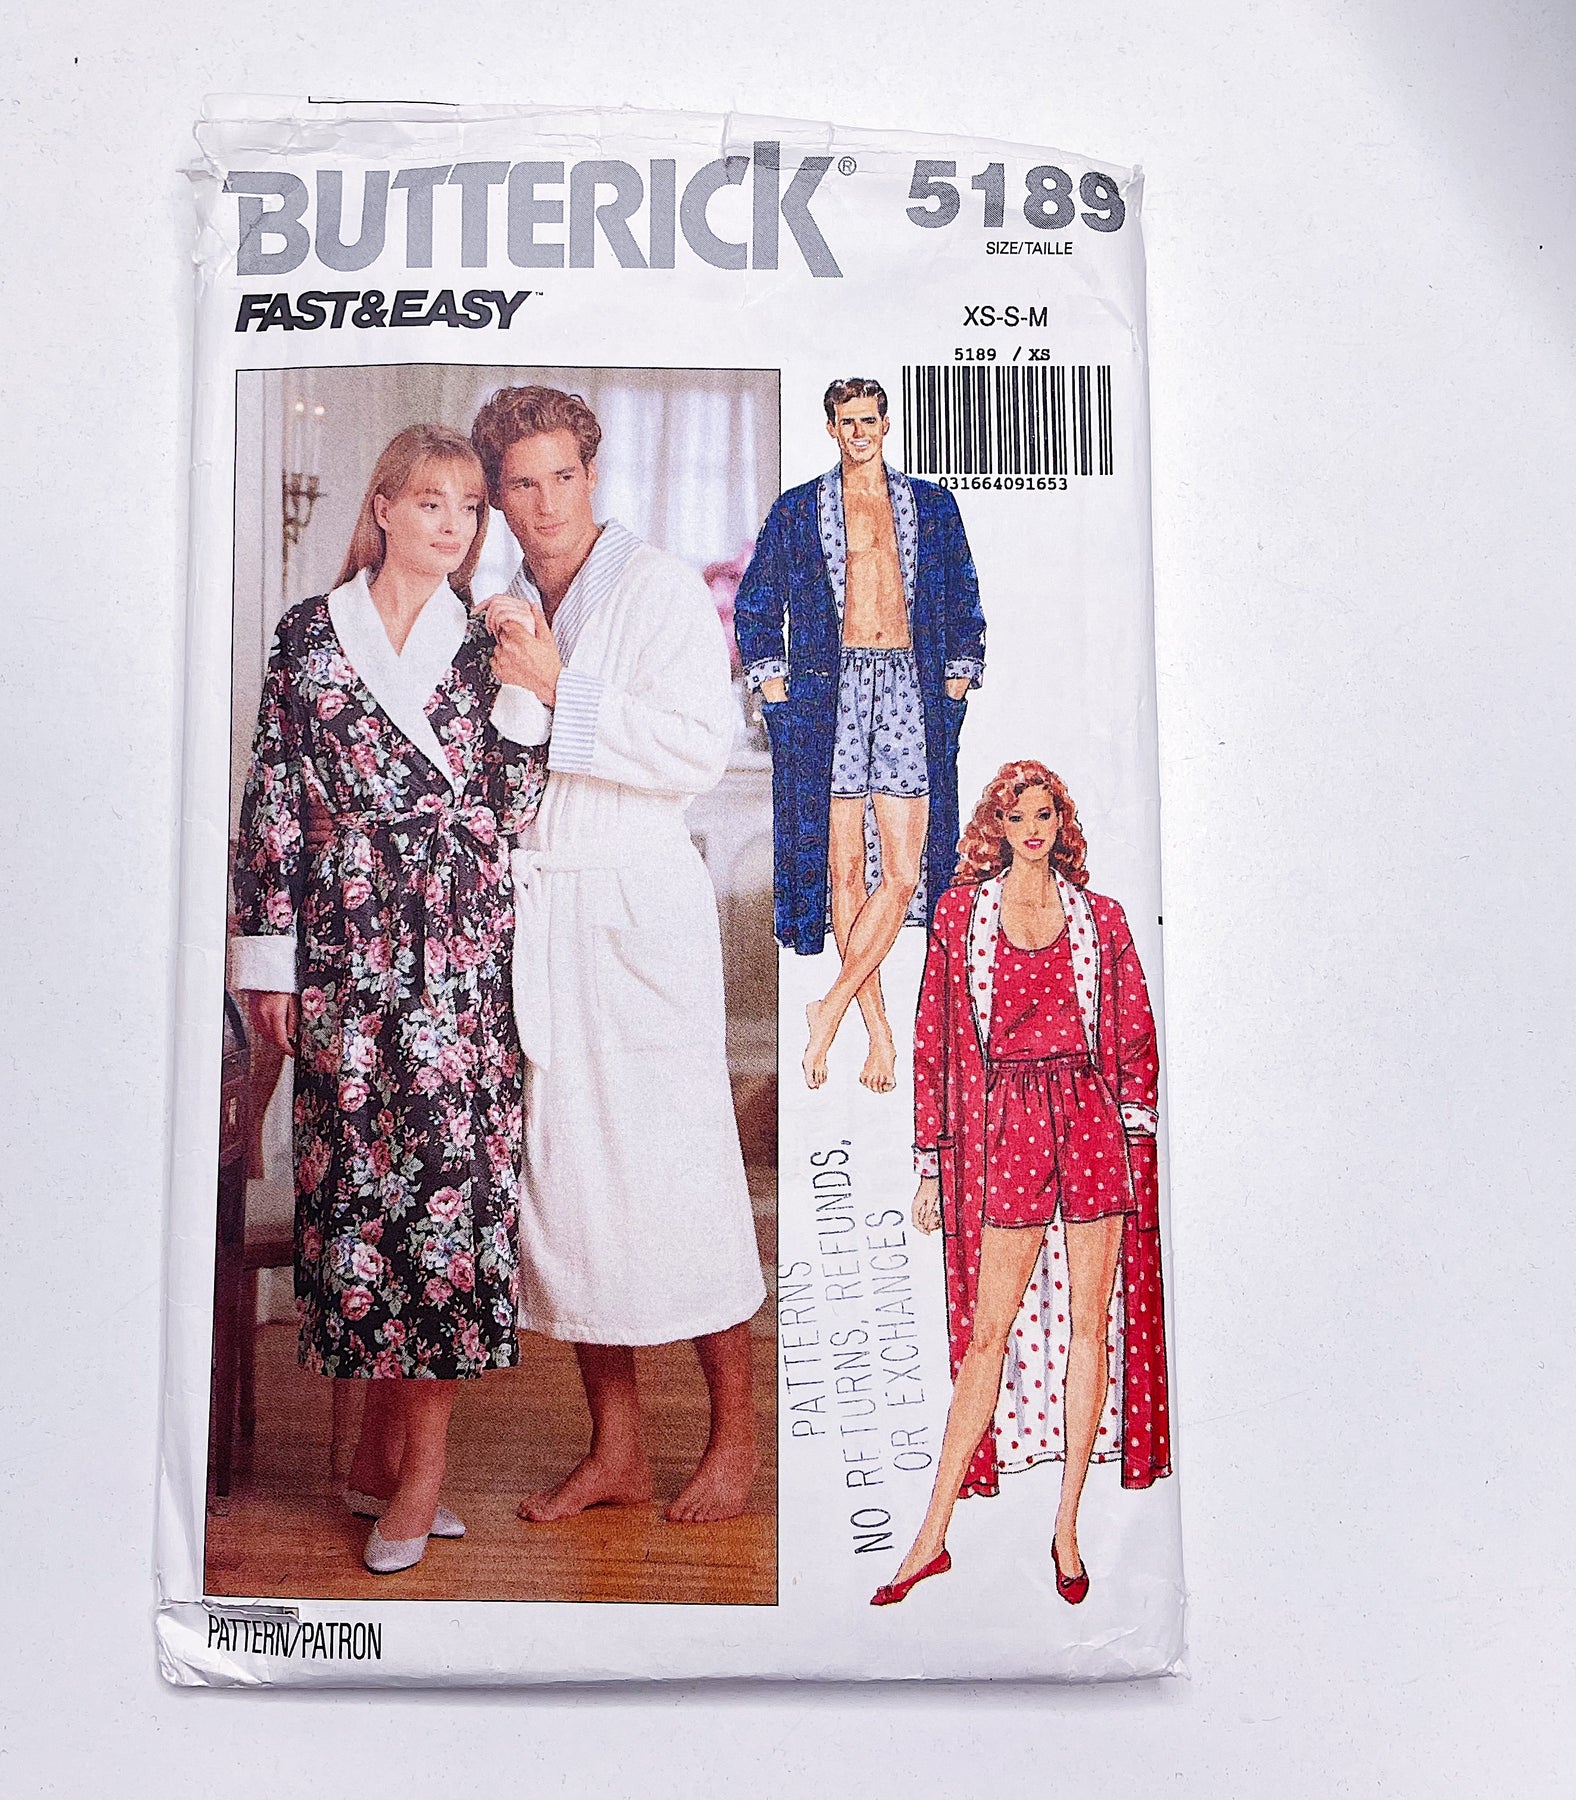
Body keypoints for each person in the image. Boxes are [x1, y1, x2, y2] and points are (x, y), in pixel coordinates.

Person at [229, 423, 547, 1576]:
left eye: (469, 508)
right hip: (346, 945)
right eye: (430, 503)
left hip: (461, 949)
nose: (453, 525)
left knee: (453, 1201)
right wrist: (271, 962)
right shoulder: (310, 636)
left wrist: (530, 690)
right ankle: (369, 1459)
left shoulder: (490, 640)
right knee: (359, 1196)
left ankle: (420, 1474)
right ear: (383, 508)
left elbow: (515, 804)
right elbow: (273, 799)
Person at [469, 384, 767, 1525]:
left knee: (678, 1177)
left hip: (638, 913)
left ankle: (735, 1438)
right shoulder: (501, 603)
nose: (546, 503)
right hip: (547, 915)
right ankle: (619, 1451)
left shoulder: (658, 590)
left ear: (592, 474)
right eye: (522, 483)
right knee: (574, 1192)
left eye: (563, 477)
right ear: (498, 495)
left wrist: (560, 688)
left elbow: (696, 752)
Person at [872, 761, 1171, 1608]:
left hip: (1091, 1121)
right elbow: (934, 1040)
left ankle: (1067, 1526)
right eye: (1018, 816)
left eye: (1045, 815)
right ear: (996, 828)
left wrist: (1137, 1136)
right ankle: (931, 1533)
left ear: (1060, 824)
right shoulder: (960, 915)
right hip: (1007, 1124)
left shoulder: (1102, 918)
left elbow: (1136, 1035)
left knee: (1091, 1327)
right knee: (987, 1335)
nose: (1033, 829)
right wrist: (931, 1164)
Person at [734, 376, 985, 1092]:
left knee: (904, 871)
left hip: (908, 685)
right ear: (831, 428)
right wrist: (777, 692)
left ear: (886, 424)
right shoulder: (798, 509)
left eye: (869, 420)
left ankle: (831, 1007)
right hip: (830, 695)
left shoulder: (931, 506)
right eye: (847, 422)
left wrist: (953, 686)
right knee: (843, 869)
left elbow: (964, 602)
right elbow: (756, 606)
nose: (859, 433)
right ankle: (878, 1034)